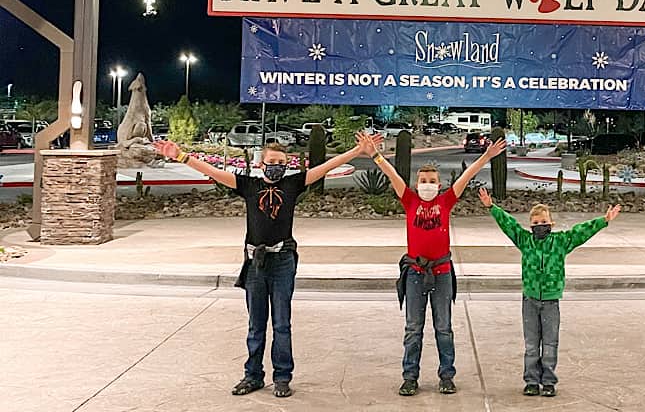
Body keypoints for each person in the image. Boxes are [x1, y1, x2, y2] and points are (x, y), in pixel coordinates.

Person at [154, 131, 382, 399]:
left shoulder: (292, 185)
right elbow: (214, 172)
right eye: (272, 161)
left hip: (283, 260)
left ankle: (282, 377)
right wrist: (180, 156)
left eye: (282, 162)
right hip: (256, 263)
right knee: (256, 323)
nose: (277, 166)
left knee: (282, 323)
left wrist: (357, 152)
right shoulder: (248, 186)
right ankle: (253, 375)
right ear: (261, 164)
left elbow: (324, 168)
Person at [373, 136, 507, 396]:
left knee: (443, 328)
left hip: (442, 274)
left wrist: (486, 157)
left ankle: (447, 375)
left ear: (440, 184)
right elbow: (391, 173)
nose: (427, 185)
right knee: (413, 328)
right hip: (414, 274)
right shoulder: (409, 201)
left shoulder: (445, 202)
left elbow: (466, 176)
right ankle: (410, 377)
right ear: (416, 184)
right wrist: (375, 155)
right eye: (423, 181)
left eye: (432, 181)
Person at [479, 188, 621, 397]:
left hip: (551, 301)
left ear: (551, 224)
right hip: (529, 300)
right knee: (531, 344)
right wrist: (492, 207)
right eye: (535, 223)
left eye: (543, 222)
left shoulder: (560, 242)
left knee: (550, 343)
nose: (539, 226)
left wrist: (603, 220)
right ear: (530, 226)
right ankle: (531, 381)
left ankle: (548, 381)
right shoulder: (525, 241)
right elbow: (509, 225)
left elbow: (580, 232)